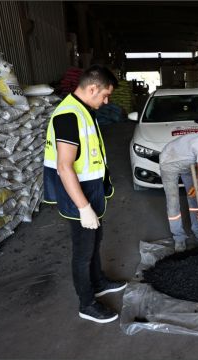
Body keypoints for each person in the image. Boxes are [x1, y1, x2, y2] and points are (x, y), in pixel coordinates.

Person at [43, 65, 126, 324]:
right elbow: (64, 166)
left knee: (95, 239)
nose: (106, 101)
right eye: (105, 95)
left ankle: (98, 281)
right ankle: (86, 303)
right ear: (92, 88)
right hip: (77, 195)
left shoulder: (83, 110)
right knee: (83, 251)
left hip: (90, 190)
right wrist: (83, 207)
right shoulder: (68, 115)